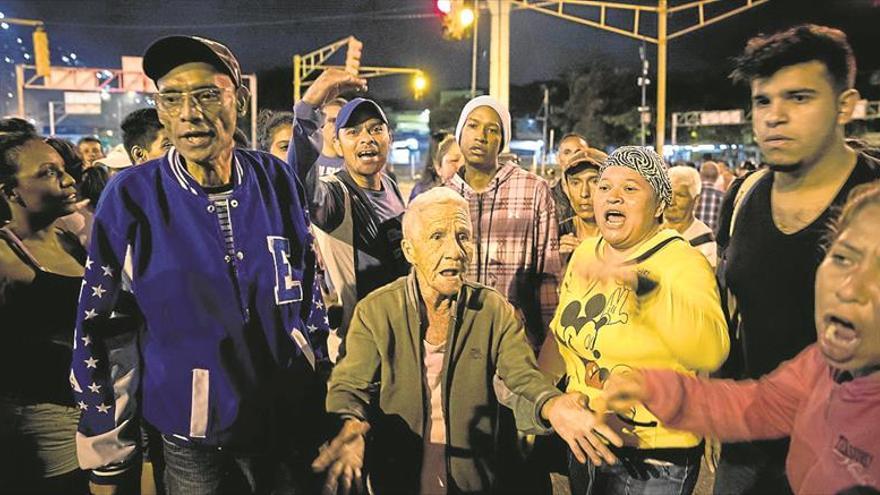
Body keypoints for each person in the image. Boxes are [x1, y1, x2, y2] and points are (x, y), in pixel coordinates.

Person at [70, 35, 330, 495]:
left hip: (286, 421)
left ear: (239, 99)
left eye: (207, 94)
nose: (190, 113)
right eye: (171, 98)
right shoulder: (132, 196)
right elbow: (103, 328)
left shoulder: (276, 178)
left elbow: (309, 283)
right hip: (193, 438)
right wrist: (108, 451)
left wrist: (314, 372)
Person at [313, 187, 623, 495]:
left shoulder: (492, 309)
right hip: (399, 479)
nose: (455, 251)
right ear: (409, 251)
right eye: (437, 237)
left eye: (463, 237)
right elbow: (350, 386)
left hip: (476, 481)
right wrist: (351, 424)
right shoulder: (377, 311)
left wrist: (550, 403)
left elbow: (519, 379)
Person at [601, 180, 880, 495]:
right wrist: (656, 388)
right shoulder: (821, 366)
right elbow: (755, 406)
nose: (848, 288)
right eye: (843, 257)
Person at [717, 24, 880, 495]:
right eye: (763, 101)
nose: (775, 117)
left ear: (845, 106)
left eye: (799, 98)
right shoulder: (745, 195)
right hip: (748, 449)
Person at [539, 146, 729, 495]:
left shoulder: (682, 261)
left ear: (658, 205)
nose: (613, 196)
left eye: (630, 188)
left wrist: (643, 288)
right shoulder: (586, 252)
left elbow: (711, 347)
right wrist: (539, 400)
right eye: (605, 185)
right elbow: (559, 337)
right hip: (587, 443)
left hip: (653, 460)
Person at [0, 130, 88, 494]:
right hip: (42, 419)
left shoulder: (72, 237)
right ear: (9, 191)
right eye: (48, 172)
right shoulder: (6, 258)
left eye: (64, 169)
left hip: (92, 408)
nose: (68, 180)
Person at [290, 95, 410, 361]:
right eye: (353, 132)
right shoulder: (335, 194)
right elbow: (298, 182)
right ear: (337, 144)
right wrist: (308, 107)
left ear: (389, 137)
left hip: (405, 341)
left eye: (376, 129)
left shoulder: (390, 186)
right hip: (365, 349)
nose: (367, 138)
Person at [445, 95, 561, 350]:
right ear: (460, 133)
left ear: (502, 141)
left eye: (492, 129)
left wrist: (550, 350)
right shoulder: (442, 197)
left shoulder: (533, 190)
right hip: (455, 342)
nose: (481, 136)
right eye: (473, 125)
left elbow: (549, 275)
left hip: (515, 342)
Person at [664, 165, 718, 267]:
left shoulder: (706, 245)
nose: (671, 201)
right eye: (667, 194)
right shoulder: (650, 232)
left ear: (696, 200)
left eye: (680, 195)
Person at [558, 155, 601, 265]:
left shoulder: (624, 237)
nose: (584, 193)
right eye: (575, 183)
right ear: (566, 188)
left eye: (594, 181)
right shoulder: (557, 233)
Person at [551, 133, 590, 238]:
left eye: (579, 152)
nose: (574, 157)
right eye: (567, 152)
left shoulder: (600, 195)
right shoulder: (547, 199)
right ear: (558, 159)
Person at [410, 134, 464, 201]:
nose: (461, 166)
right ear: (438, 167)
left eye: (469, 163)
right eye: (454, 160)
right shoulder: (424, 198)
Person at [316, 97, 347, 177]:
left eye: (343, 121)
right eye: (333, 121)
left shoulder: (357, 163)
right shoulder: (309, 162)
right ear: (320, 125)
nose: (338, 126)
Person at [695, 161, 724, 232]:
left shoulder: (692, 195)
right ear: (717, 177)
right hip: (713, 241)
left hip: (690, 241)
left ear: (700, 175)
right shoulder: (723, 197)